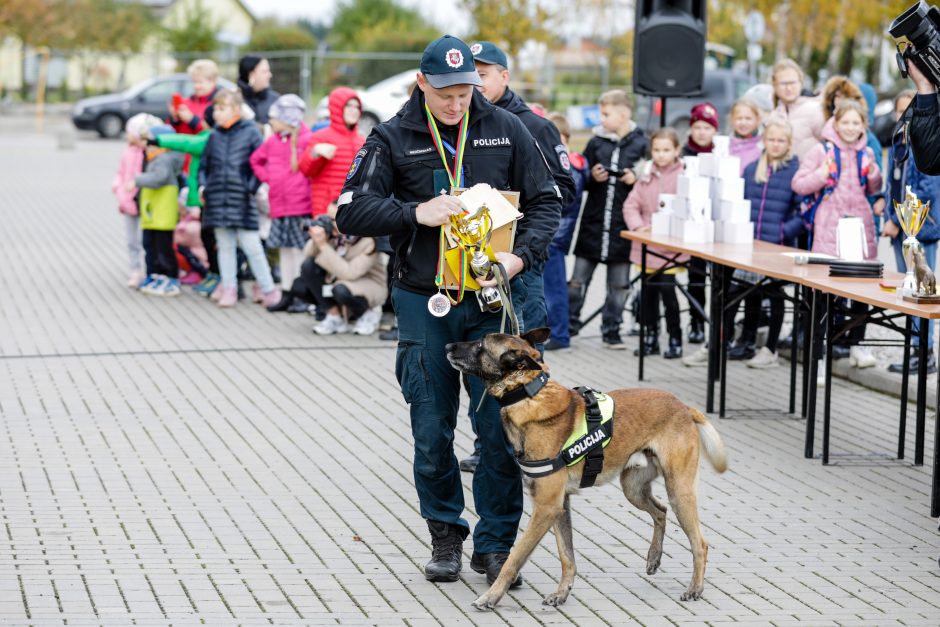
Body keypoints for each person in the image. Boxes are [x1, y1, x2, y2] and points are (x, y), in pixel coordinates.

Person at [335, 35, 560, 586]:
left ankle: (495, 544)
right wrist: (416, 212)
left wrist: (518, 258)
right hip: (424, 300)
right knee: (431, 426)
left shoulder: (508, 129)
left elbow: (548, 202)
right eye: (445, 95)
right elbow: (350, 210)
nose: (457, 104)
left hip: (490, 301)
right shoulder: (392, 136)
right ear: (421, 83)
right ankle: (445, 536)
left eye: (465, 92)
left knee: (498, 429)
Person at [471, 41, 575, 335]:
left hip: (521, 258)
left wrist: (510, 205)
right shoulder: (461, 124)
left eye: (483, 74)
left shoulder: (535, 126)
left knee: (522, 347)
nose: (475, 81)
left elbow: (563, 191)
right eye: (470, 74)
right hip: (474, 257)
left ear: (504, 77)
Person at [792, 100, 883, 368]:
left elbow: (873, 187)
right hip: (829, 227)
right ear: (835, 122)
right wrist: (821, 174)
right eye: (846, 122)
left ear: (863, 125)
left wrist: (874, 173)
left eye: (856, 123)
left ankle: (856, 345)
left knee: (860, 291)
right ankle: (818, 355)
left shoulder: (867, 152)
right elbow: (799, 184)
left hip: (860, 225)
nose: (851, 128)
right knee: (824, 295)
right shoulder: (822, 151)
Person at [569, 89, 648, 348]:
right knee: (578, 280)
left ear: (624, 114)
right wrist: (592, 176)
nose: (601, 119)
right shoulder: (596, 142)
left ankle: (611, 330)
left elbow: (648, 179)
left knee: (619, 285)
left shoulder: (641, 143)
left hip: (622, 227)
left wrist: (634, 178)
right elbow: (581, 177)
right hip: (593, 222)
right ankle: (569, 325)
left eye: (606, 114)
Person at [725, 119, 803, 368]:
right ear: (764, 141)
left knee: (773, 294)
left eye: (781, 140)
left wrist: (784, 231)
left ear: (789, 144)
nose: (776, 145)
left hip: (777, 245)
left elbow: (804, 210)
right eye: (772, 140)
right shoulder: (751, 169)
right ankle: (739, 341)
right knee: (743, 291)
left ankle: (770, 349)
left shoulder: (795, 171)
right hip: (750, 244)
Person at [198, 89, 280, 308]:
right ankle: (229, 288)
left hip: (241, 200)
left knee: (252, 246)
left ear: (235, 109)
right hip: (217, 200)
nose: (216, 113)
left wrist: (250, 187)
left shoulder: (251, 133)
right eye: (215, 108)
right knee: (224, 246)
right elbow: (204, 166)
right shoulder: (214, 135)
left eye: (221, 108)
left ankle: (269, 289)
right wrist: (203, 187)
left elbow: (261, 163)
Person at [884, 89, 940, 374]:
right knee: (907, 288)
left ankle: (925, 352)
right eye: (900, 111)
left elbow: (924, 189)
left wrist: (898, 219)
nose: (904, 115)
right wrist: (887, 213)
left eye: (911, 110)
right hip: (897, 228)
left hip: (920, 229)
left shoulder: (925, 144)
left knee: (923, 290)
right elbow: (892, 183)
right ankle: (912, 350)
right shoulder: (898, 142)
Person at [623, 127, 687, 359]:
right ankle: (650, 336)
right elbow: (631, 205)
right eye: (657, 150)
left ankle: (675, 337)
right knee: (648, 293)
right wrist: (639, 227)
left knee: (668, 292)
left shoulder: (684, 175)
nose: (661, 154)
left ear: (676, 150)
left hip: (670, 247)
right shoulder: (646, 174)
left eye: (666, 150)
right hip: (646, 246)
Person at [249, 94, 313, 311]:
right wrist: (268, 178)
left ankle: (301, 294)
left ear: (288, 118)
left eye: (275, 118)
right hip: (279, 205)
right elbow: (255, 160)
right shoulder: (273, 141)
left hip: (300, 205)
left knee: (299, 251)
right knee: (285, 251)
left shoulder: (306, 139)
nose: (271, 122)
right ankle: (286, 292)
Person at [292, 203, 388, 335]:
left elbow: (349, 273)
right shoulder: (334, 235)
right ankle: (334, 316)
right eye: (328, 217)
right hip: (338, 281)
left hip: (369, 284)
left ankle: (368, 315)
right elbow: (308, 257)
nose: (329, 223)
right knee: (301, 281)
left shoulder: (369, 240)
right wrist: (317, 241)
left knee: (340, 289)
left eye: (334, 219)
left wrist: (323, 246)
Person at [544, 111, 588, 352]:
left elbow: (565, 201)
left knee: (555, 289)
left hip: (555, 236)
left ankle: (560, 334)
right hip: (551, 235)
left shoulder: (569, 166)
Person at [681, 102, 719, 344]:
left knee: (716, 282)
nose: (702, 132)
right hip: (690, 224)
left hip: (715, 223)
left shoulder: (720, 154)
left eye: (707, 127)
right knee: (694, 279)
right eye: (698, 126)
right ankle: (696, 323)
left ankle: (714, 326)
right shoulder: (683, 154)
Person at [130, 124, 184, 296]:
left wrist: (138, 180)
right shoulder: (154, 158)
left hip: (162, 214)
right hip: (152, 214)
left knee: (163, 247)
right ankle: (155, 275)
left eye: (151, 142)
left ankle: (170, 277)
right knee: (150, 245)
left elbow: (159, 178)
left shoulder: (165, 160)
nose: (147, 146)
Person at [299, 87, 365, 217]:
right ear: (337, 107)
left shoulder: (361, 140)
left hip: (352, 210)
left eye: (357, 107)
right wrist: (315, 152)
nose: (354, 111)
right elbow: (306, 170)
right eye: (349, 106)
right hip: (326, 211)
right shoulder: (321, 137)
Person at [113, 113, 161, 288]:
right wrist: (117, 187)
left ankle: (152, 270)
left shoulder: (150, 152)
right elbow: (121, 172)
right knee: (132, 239)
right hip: (127, 200)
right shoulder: (128, 152)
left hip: (146, 200)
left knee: (147, 239)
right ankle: (135, 269)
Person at [772, 58, 825, 160]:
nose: (789, 88)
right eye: (783, 84)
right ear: (775, 86)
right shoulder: (774, 116)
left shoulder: (815, 110)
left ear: (801, 83)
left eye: (792, 83)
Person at [168, 59, 221, 135]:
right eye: (194, 82)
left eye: (200, 82)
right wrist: (175, 119)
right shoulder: (186, 102)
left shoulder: (219, 106)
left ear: (213, 81)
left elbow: (214, 135)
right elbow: (173, 131)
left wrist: (191, 120)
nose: (196, 86)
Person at [238, 55, 280, 126]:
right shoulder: (234, 100)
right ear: (251, 74)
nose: (270, 75)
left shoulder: (275, 100)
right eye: (264, 71)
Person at [729, 99, 763, 173]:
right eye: (739, 118)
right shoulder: (726, 146)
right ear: (732, 120)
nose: (743, 123)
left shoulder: (762, 146)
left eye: (748, 118)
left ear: (757, 120)